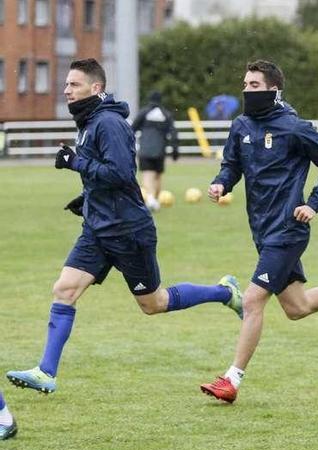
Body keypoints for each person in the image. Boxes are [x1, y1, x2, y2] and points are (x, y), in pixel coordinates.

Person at [6, 58, 242, 395]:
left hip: (128, 231)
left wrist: (76, 162)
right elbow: (102, 175)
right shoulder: (88, 122)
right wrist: (87, 198)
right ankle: (46, 372)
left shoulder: (108, 123)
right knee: (65, 289)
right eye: (67, 84)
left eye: (74, 84)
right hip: (98, 228)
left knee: (154, 304)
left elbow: (120, 174)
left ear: (95, 87)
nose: (66, 90)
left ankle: (225, 292)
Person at [200, 60, 318, 404]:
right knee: (297, 307)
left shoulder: (295, 128)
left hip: (288, 229)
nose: (247, 90)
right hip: (262, 229)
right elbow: (231, 165)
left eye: (254, 85)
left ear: (273, 89)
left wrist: (314, 204)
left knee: (251, 300)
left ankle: (231, 380)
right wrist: (221, 183)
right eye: (245, 84)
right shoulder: (241, 126)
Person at [131, 90, 179, 212]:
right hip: (160, 151)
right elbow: (173, 133)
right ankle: (155, 200)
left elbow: (132, 129)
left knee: (147, 174)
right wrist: (175, 151)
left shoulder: (144, 112)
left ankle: (151, 199)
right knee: (157, 176)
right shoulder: (166, 114)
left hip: (145, 150)